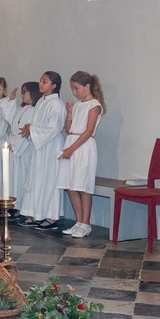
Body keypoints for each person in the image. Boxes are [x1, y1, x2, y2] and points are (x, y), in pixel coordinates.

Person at [55, 71, 106, 238]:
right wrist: (69, 112)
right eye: (73, 89)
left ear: (87, 86)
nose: (74, 92)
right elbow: (68, 129)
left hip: (83, 147)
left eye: (76, 88)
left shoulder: (95, 105)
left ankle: (85, 224)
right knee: (70, 185)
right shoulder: (77, 106)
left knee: (83, 186)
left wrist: (70, 150)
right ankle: (78, 222)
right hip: (71, 142)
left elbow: (89, 131)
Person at [18, 71, 66, 230]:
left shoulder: (56, 104)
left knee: (49, 181)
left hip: (50, 147)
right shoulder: (41, 102)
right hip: (40, 147)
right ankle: (37, 214)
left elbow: (54, 128)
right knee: (37, 180)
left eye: (44, 81)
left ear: (54, 85)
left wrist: (32, 130)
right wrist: (30, 128)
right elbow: (37, 124)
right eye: (40, 80)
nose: (40, 84)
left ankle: (51, 216)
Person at [0, 81, 41, 219]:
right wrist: (11, 101)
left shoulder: (35, 111)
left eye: (25, 92)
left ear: (33, 93)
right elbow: (11, 122)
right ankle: (14, 206)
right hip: (15, 148)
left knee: (22, 179)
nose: (22, 95)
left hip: (24, 150)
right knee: (14, 179)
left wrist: (16, 146)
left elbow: (26, 133)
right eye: (22, 92)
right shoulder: (21, 109)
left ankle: (22, 207)